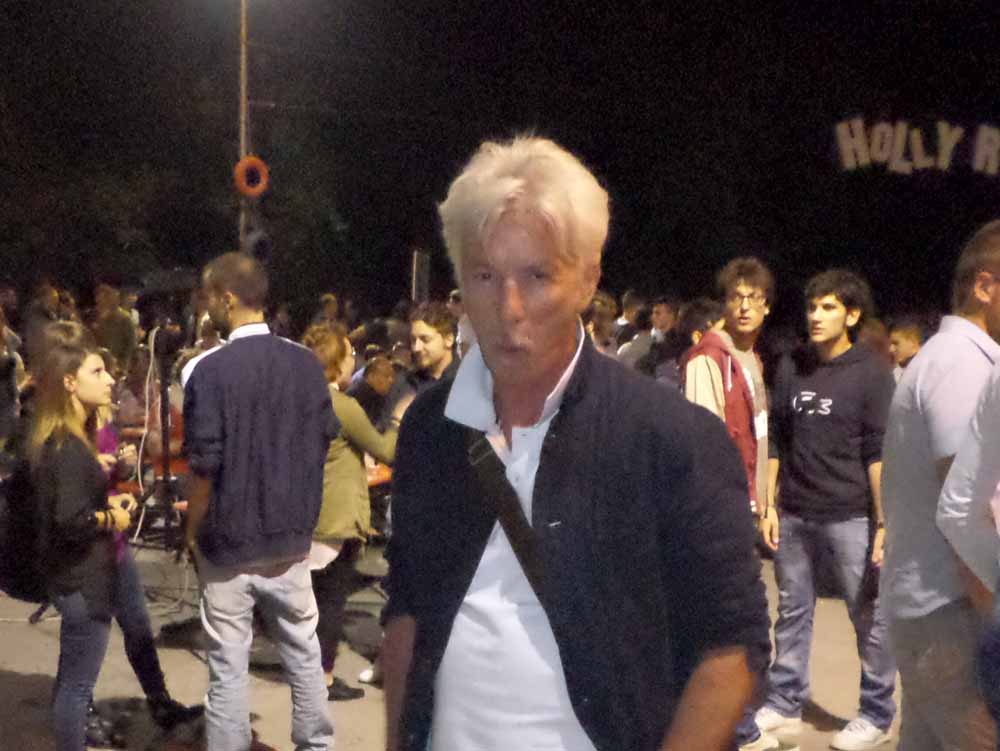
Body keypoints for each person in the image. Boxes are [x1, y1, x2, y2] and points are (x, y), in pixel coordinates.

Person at [382, 136, 769, 751]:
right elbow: (408, 609)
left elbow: (732, 647)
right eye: (484, 276)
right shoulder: (431, 428)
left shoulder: (670, 438)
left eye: (537, 276)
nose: (508, 307)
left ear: (588, 280)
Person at [183, 252, 338, 751]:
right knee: (304, 653)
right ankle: (316, 745)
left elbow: (204, 465)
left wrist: (192, 529)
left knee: (228, 665)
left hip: (228, 540)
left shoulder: (206, 371)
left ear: (227, 298)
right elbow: (323, 440)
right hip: (290, 537)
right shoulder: (306, 364)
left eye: (208, 297)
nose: (205, 307)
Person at [28, 334, 199, 751]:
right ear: (69, 382)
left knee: (79, 673)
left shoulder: (71, 436)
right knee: (77, 686)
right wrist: (112, 517)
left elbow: (69, 505)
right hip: (84, 577)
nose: (109, 380)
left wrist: (106, 496)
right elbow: (69, 520)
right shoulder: (67, 445)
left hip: (89, 569)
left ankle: (157, 702)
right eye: (97, 371)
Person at [756, 269, 897, 749]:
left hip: (850, 514)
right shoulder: (792, 365)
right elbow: (778, 438)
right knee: (792, 610)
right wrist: (769, 503)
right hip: (795, 510)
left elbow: (877, 452)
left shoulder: (871, 373)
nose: (816, 316)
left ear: (851, 315)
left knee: (867, 616)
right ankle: (784, 704)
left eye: (829, 307)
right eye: (812, 306)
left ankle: (876, 714)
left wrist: (884, 521)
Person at [881, 222, 1000, 751]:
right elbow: (971, 508)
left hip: (932, 611)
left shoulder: (944, 357)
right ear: (985, 286)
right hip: (956, 616)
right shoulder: (965, 366)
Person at [303, 325, 413, 701]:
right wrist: (398, 419)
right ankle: (323, 678)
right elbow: (386, 450)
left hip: (306, 513)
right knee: (332, 601)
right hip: (337, 515)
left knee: (309, 601)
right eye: (349, 355)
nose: (355, 362)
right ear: (335, 364)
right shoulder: (342, 406)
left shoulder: (297, 399)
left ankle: (306, 673)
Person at [683, 257, 773, 519]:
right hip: (723, 507)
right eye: (736, 297)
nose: (744, 307)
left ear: (766, 306)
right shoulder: (708, 358)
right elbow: (704, 444)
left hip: (751, 503)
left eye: (753, 298)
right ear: (724, 305)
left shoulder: (752, 357)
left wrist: (766, 503)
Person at [408, 301, 458, 390]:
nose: (416, 348)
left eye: (425, 339)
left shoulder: (464, 378)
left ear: (448, 339)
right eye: (413, 340)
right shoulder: (409, 383)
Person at [92, 284, 137, 378]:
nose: (99, 300)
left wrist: (123, 366)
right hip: (96, 364)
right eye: (98, 296)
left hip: (116, 367)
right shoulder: (93, 317)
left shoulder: (124, 318)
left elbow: (131, 345)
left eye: (104, 296)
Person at [888, 316, 925, 383]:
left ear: (913, 345)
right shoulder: (893, 373)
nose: (891, 349)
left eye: (896, 343)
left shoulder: (927, 374)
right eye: (890, 344)